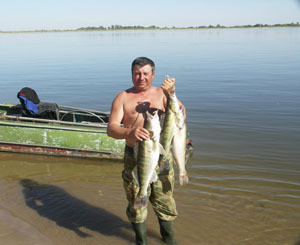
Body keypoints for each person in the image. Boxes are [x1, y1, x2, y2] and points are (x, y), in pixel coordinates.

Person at [107, 57, 185, 245]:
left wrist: (172, 93)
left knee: (165, 202)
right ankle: (141, 242)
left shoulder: (162, 94)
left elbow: (181, 115)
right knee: (136, 204)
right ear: (132, 74)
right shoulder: (123, 97)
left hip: (161, 157)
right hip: (135, 158)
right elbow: (111, 129)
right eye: (137, 73)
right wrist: (130, 132)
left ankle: (169, 240)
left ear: (153, 75)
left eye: (145, 73)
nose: (141, 77)